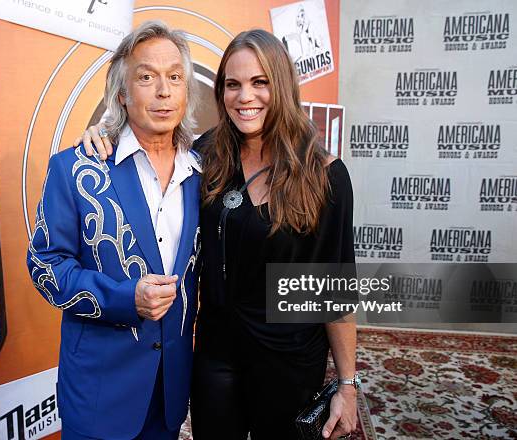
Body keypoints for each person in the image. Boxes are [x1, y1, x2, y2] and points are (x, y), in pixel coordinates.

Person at [77, 29, 357, 440]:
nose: (246, 97)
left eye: (260, 82)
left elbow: (334, 290)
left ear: (281, 85)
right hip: (215, 357)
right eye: (233, 85)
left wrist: (347, 385)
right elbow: (143, 146)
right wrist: (103, 131)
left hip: (290, 360)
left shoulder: (325, 175)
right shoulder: (205, 156)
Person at [27, 21, 202, 440]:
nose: (163, 91)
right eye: (147, 77)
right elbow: (45, 266)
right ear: (122, 93)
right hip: (99, 395)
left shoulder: (204, 171)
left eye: (174, 77)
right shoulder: (77, 168)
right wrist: (128, 298)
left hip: (170, 393)